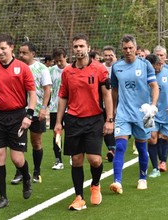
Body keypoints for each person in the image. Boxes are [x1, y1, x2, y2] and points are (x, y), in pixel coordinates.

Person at [54, 33, 113, 211]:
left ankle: (95, 184)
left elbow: (107, 95)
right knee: (77, 159)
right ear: (72, 50)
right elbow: (63, 97)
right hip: (73, 120)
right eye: (75, 47)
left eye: (81, 46)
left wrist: (109, 120)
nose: (78, 49)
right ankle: (79, 197)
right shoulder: (67, 72)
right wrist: (58, 122)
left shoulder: (99, 69)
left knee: (94, 160)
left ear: (88, 47)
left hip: (94, 119)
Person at [0, 33, 36, 209]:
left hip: (18, 117)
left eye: (3, 48)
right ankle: (3, 197)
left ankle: (26, 178)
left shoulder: (23, 68)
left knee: (17, 159)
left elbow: (32, 93)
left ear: (11, 47)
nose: (0, 52)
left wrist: (29, 115)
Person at [110, 35, 159, 192]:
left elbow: (154, 86)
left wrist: (153, 106)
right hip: (124, 112)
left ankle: (142, 178)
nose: (128, 50)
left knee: (143, 145)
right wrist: (113, 110)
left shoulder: (145, 65)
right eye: (125, 48)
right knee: (120, 145)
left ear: (136, 48)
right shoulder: (116, 67)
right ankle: (117, 182)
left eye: (131, 47)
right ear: (122, 49)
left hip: (145, 112)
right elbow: (114, 90)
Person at [10, 41, 51, 184]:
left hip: (36, 111)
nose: (21, 55)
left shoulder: (42, 69)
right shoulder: (15, 67)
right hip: (18, 112)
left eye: (24, 53)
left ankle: (36, 172)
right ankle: (20, 172)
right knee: (17, 143)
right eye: (20, 52)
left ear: (33, 54)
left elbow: (47, 89)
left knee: (36, 142)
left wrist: (44, 108)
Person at [145, 53, 168, 178]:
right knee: (151, 138)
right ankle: (155, 168)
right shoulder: (144, 73)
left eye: (159, 65)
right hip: (149, 112)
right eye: (155, 66)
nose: (157, 68)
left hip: (167, 111)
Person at [49, 47, 69, 170]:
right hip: (55, 107)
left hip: (71, 108)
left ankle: (73, 155)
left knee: (71, 133)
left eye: (61, 60)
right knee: (57, 134)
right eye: (56, 61)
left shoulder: (72, 69)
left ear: (66, 57)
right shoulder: (51, 70)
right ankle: (58, 160)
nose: (59, 63)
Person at [102, 45, 117, 162]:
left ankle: (115, 148)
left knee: (117, 126)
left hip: (118, 101)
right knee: (106, 126)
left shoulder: (118, 67)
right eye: (106, 55)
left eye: (110, 55)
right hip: (104, 103)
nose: (108, 57)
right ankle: (112, 149)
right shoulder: (100, 68)